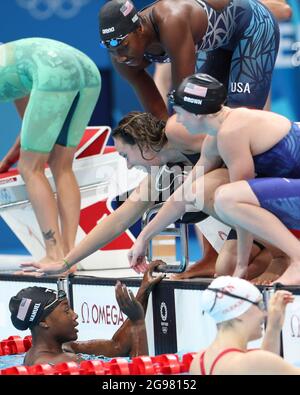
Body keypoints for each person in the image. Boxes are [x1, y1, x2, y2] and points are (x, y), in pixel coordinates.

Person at [18, 111, 232, 278]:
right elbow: (119, 220)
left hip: (256, 190)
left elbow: (229, 131)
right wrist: (65, 262)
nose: (129, 166)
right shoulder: (163, 172)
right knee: (225, 267)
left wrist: (143, 238)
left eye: (126, 156)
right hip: (239, 224)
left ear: (143, 144)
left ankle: (266, 260)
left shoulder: (184, 136)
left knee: (198, 191)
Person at [127, 73, 297, 283]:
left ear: (197, 113)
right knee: (199, 192)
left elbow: (239, 205)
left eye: (179, 113)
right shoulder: (217, 136)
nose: (178, 119)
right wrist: (144, 237)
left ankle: (296, 259)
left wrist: (242, 266)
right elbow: (184, 196)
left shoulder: (232, 132)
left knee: (227, 198)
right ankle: (286, 256)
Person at [0, 38, 101, 269]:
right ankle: (68, 257)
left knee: (29, 169)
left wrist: (15, 160)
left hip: (53, 71)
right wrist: (7, 160)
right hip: (88, 69)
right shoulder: (14, 63)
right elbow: (32, 125)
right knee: (62, 165)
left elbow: (32, 136)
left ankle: (53, 255)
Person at [99, 0, 279, 121]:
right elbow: (159, 114)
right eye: (111, 50)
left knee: (241, 115)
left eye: (123, 46)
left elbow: (185, 97)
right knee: (206, 117)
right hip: (215, 45)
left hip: (252, 26)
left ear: (139, 29)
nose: (119, 56)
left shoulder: (171, 21)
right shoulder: (120, 58)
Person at [9, 261, 164, 366]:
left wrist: (143, 292)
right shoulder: (63, 363)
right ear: (43, 321)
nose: (74, 315)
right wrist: (138, 323)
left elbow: (117, 347)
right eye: (66, 310)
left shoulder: (55, 351)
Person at [152, 0, 292, 108]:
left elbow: (284, 11)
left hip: (246, 55)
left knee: (243, 121)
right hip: (204, 63)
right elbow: (163, 74)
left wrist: (230, 10)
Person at [189, 276, 299, 375]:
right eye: (260, 304)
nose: (264, 313)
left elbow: (262, 368)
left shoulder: (198, 362)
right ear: (239, 313)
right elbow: (263, 365)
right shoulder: (252, 362)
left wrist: (273, 328)